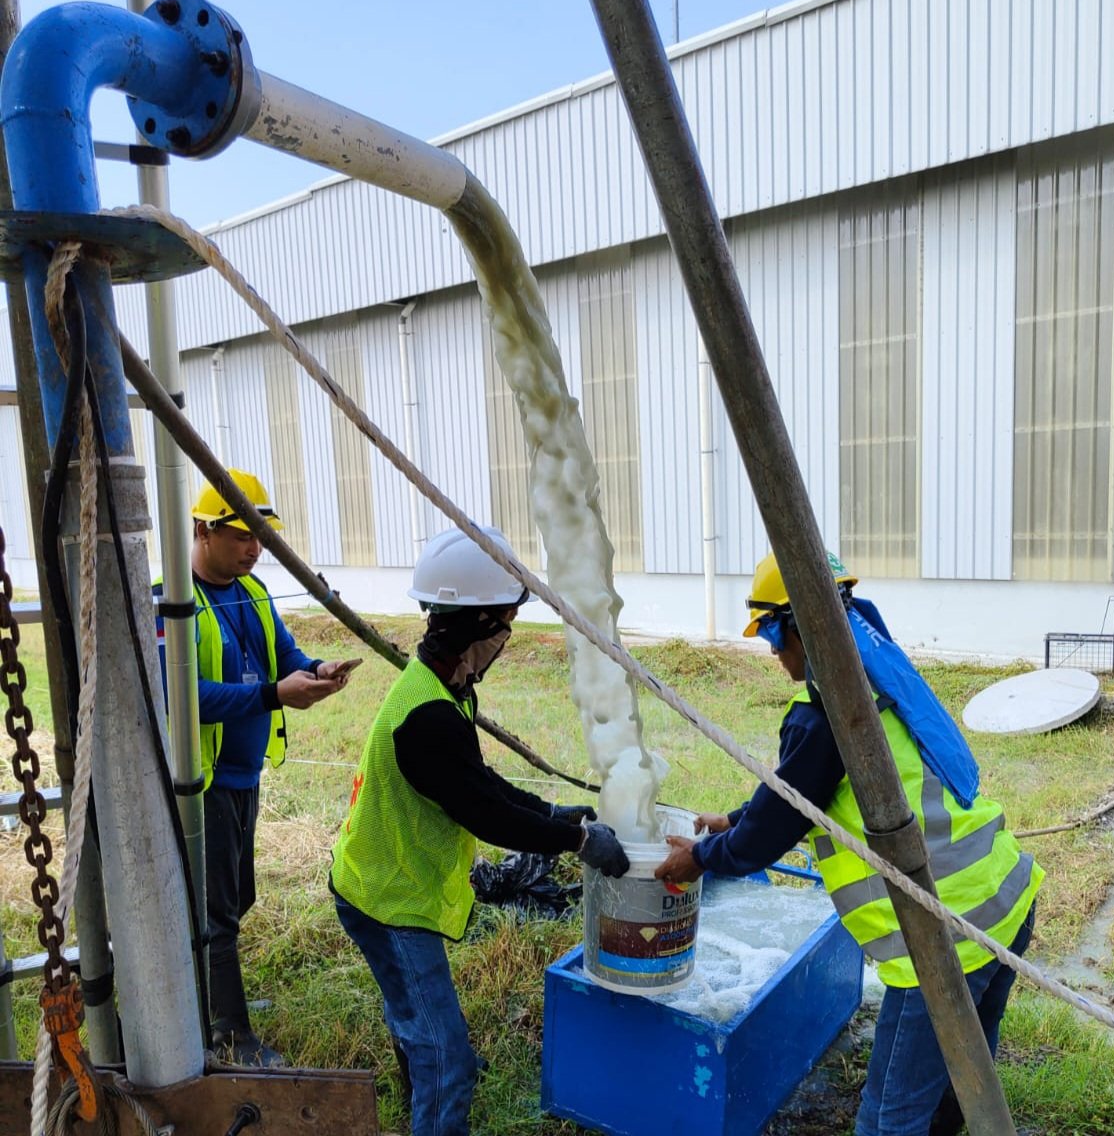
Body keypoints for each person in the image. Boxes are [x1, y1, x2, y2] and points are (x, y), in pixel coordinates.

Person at [655, 550, 1043, 1136]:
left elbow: (771, 832)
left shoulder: (825, 714)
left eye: (772, 635)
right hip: (1004, 900)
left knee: (888, 1119)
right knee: (965, 1081)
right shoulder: (879, 679)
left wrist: (699, 857)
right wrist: (734, 820)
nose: (773, 653)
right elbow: (801, 798)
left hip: (944, 939)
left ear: (798, 627)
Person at [329, 526, 628, 1136]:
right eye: (506, 628)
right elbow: (484, 813)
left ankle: (425, 1067)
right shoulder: (428, 718)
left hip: (372, 881)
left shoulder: (441, 686)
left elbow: (481, 784)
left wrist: (555, 814)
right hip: (388, 901)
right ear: (481, 627)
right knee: (449, 1059)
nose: (507, 643)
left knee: (414, 1021)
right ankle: (440, 1084)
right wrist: (577, 843)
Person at [156, 468, 359, 1067]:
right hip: (200, 782)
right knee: (217, 912)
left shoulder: (255, 592)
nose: (255, 548)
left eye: (262, 537)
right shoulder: (171, 599)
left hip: (243, 775)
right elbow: (183, 697)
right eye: (243, 536)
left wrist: (318, 669)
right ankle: (231, 1034)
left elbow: (287, 653)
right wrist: (273, 695)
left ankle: (211, 997)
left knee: (236, 899)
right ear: (202, 529)